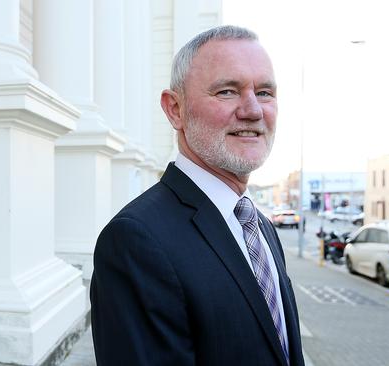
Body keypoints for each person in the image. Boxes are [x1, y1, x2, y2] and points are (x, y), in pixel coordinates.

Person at [90, 25, 305, 366]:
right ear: (175, 109)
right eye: (227, 91)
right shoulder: (135, 240)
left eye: (264, 92)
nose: (253, 110)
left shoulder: (261, 227)